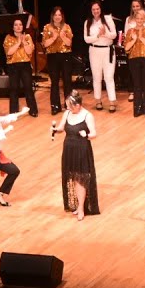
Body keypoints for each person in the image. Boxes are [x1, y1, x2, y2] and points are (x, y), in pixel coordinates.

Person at [54, 92, 100, 221]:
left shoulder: (87, 116)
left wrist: (86, 134)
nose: (68, 108)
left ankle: (81, 208)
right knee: (73, 177)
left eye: (70, 106)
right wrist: (55, 130)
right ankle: (80, 205)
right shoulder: (67, 113)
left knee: (80, 179)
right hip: (69, 149)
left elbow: (94, 134)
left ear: (78, 105)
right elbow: (61, 128)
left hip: (82, 150)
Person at [83, 2, 118, 113]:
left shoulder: (108, 19)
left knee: (109, 77)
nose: (96, 11)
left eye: (97, 9)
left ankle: (112, 101)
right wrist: (97, 36)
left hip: (107, 50)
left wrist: (105, 33)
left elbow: (114, 35)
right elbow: (86, 39)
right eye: (93, 9)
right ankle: (98, 101)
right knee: (97, 77)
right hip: (94, 51)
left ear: (101, 9)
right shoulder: (88, 22)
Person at [123, 9, 145, 117]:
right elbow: (126, 48)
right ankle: (137, 109)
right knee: (136, 84)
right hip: (134, 59)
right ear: (134, 19)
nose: (139, 20)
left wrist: (141, 38)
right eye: (137, 18)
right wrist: (134, 39)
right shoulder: (130, 31)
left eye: (141, 18)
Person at [3, 17, 39, 117]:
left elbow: (29, 51)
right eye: (16, 25)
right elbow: (9, 52)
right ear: (13, 27)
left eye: (20, 24)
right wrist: (18, 42)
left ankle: (33, 110)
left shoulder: (27, 37)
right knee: (14, 88)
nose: (18, 27)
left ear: (23, 26)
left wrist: (23, 42)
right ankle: (13, 111)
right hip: (13, 66)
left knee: (28, 88)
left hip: (25, 65)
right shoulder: (8, 37)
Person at [41, 6, 74, 115]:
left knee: (67, 81)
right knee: (54, 82)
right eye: (55, 15)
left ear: (62, 16)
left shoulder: (67, 27)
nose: (57, 17)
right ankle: (55, 106)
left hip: (65, 55)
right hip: (52, 57)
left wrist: (62, 36)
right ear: (52, 16)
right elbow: (45, 44)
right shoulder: (47, 27)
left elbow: (69, 43)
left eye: (59, 15)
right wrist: (54, 37)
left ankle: (69, 105)